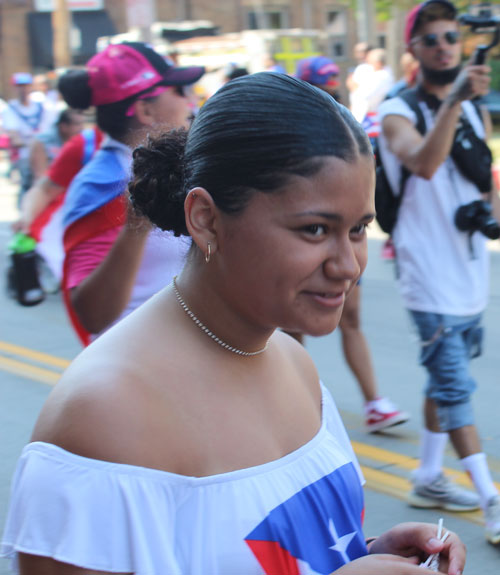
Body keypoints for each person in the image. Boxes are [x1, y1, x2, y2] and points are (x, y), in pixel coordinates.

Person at [1, 71, 466, 575]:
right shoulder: (104, 420)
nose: (349, 265)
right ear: (205, 218)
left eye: (358, 230)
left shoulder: (290, 360)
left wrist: (367, 552)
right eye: (314, 229)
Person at [378, 0, 500, 544]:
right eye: (432, 39)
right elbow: (424, 164)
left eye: (452, 36)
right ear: (414, 50)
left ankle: (428, 476)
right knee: (454, 389)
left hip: (470, 271)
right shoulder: (394, 111)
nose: (445, 45)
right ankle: (494, 504)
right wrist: (454, 97)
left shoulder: (473, 106)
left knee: (439, 376)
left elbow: (482, 173)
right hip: (427, 274)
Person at [57, 42, 204, 345]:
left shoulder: (184, 163)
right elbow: (93, 316)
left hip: (194, 357)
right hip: (141, 370)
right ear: (145, 109)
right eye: (178, 90)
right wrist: (137, 224)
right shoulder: (102, 183)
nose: (190, 99)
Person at [297, 56, 409, 433]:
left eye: (332, 84)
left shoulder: (347, 122)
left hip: (337, 234)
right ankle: (295, 405)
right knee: (291, 324)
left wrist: (357, 224)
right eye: (320, 85)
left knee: (352, 318)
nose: (328, 91)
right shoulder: (287, 130)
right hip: (305, 244)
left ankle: (374, 402)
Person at [2, 73, 52, 200]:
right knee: (28, 185)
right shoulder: (9, 109)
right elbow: (14, 134)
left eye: (26, 86)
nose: (23, 89)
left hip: (46, 152)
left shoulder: (43, 105)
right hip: (26, 154)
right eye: (20, 86)